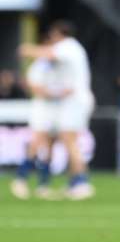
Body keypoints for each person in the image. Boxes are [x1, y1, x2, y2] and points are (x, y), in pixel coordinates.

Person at [17, 21, 95, 200]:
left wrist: (27, 49)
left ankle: (81, 182)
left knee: (69, 140)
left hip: (74, 101)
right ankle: (73, 182)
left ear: (59, 34)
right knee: (60, 141)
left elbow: (49, 54)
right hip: (63, 102)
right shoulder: (63, 55)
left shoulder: (69, 46)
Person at [10, 50, 63, 200]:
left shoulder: (60, 65)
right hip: (42, 109)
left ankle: (43, 185)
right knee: (37, 141)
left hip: (57, 109)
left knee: (51, 144)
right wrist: (54, 94)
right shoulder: (39, 66)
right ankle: (21, 178)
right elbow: (33, 86)